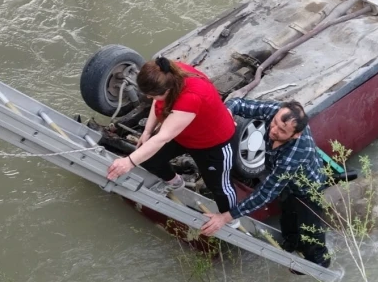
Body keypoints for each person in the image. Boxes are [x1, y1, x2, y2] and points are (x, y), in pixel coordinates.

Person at [200, 98, 331, 270]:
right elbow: (238, 103)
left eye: (282, 131)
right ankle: (291, 244)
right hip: (284, 183)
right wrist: (227, 115)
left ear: (295, 135)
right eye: (274, 123)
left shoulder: (295, 154)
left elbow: (264, 194)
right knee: (288, 218)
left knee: (310, 229)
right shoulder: (277, 111)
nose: (273, 130)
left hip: (307, 187)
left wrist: (225, 217)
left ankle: (318, 262)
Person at [106, 57, 239, 217]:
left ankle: (229, 217)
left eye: (152, 95)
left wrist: (129, 162)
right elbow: (158, 103)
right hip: (184, 132)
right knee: (148, 157)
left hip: (214, 142)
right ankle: (175, 182)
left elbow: (163, 137)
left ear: (167, 91)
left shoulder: (191, 97)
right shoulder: (166, 73)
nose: (149, 98)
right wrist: (147, 131)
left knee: (219, 186)